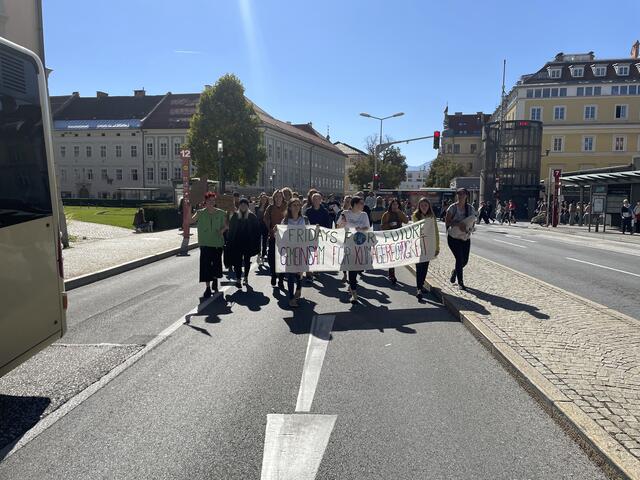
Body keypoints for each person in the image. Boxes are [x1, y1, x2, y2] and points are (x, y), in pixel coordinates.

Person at [191, 192, 228, 298]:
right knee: (205, 266)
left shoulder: (221, 213)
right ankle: (207, 287)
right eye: (209, 201)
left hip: (217, 243)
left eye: (213, 201)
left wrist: (222, 231)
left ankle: (215, 280)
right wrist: (188, 208)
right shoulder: (200, 213)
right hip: (205, 243)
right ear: (205, 202)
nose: (211, 202)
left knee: (216, 264)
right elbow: (190, 220)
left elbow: (226, 226)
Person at [337, 196, 370, 302]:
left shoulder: (364, 215)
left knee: (356, 268)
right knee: (352, 268)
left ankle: (352, 287)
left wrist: (360, 228)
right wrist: (342, 223)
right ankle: (354, 293)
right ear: (355, 204)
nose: (363, 205)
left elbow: (367, 227)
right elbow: (338, 228)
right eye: (361, 203)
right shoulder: (345, 213)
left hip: (360, 245)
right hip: (349, 244)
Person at [445, 188, 475, 290]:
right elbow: (447, 222)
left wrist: (470, 228)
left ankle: (455, 271)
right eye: (458, 193)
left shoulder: (470, 208)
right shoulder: (452, 208)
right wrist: (458, 224)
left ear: (467, 195)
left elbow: (473, 221)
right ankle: (460, 282)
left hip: (465, 237)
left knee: (465, 261)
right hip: (453, 237)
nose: (460, 195)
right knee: (459, 258)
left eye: (462, 193)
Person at [227, 198, 261, 288]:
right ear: (239, 206)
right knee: (237, 262)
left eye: (245, 205)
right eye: (241, 204)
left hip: (248, 243)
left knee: (246, 261)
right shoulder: (235, 216)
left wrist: (258, 246)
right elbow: (231, 230)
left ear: (247, 206)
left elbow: (257, 231)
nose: (243, 206)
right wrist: (229, 241)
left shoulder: (252, 216)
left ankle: (245, 276)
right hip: (237, 243)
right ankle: (238, 279)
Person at [281, 198, 309, 307]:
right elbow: (281, 234)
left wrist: (315, 230)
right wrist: (276, 231)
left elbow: (309, 234)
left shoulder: (305, 220)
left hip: (302, 250)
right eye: (294, 205)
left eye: (298, 205)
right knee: (291, 275)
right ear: (289, 207)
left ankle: (299, 287)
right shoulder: (286, 220)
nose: (297, 207)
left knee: (299, 273)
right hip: (290, 250)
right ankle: (291, 298)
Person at [412, 197, 439, 299]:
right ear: (419, 206)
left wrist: (437, 247)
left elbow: (435, 232)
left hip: (429, 246)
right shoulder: (416, 216)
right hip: (419, 246)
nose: (424, 207)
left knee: (425, 268)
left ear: (429, 206)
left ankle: (422, 285)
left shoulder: (432, 216)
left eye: (426, 205)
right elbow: (416, 229)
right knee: (419, 268)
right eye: (422, 205)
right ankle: (419, 289)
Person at [380, 198, 408, 285]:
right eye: (393, 204)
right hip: (389, 238)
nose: (395, 206)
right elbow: (382, 227)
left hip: (399, 238)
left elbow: (406, 221)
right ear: (390, 205)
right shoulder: (386, 214)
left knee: (396, 256)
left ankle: (391, 272)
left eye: (396, 204)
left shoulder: (400, 213)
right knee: (391, 256)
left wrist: (400, 212)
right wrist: (389, 225)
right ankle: (392, 275)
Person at [264, 189, 287, 288]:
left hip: (284, 238)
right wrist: (270, 228)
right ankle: (273, 274)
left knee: (282, 259)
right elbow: (265, 218)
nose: (278, 198)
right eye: (276, 196)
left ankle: (281, 279)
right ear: (274, 198)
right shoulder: (270, 208)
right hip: (273, 236)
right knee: (271, 258)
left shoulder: (286, 207)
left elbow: (291, 219)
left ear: (282, 198)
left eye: (280, 196)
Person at [255, 194, 270, 265]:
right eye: (262, 199)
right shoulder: (257, 207)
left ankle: (263, 256)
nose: (264, 200)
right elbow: (256, 216)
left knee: (264, 241)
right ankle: (258, 254)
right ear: (260, 199)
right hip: (258, 226)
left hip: (265, 226)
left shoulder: (269, 207)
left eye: (265, 199)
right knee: (258, 241)